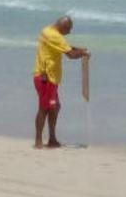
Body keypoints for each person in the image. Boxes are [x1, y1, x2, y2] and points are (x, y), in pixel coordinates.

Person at [33, 16, 90, 148]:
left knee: (55, 107)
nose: (69, 32)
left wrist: (80, 50)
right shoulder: (56, 37)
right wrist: (83, 54)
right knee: (44, 108)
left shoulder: (47, 30)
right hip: (45, 78)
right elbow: (70, 54)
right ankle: (38, 141)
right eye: (68, 29)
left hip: (50, 78)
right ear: (63, 26)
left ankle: (52, 139)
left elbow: (64, 47)